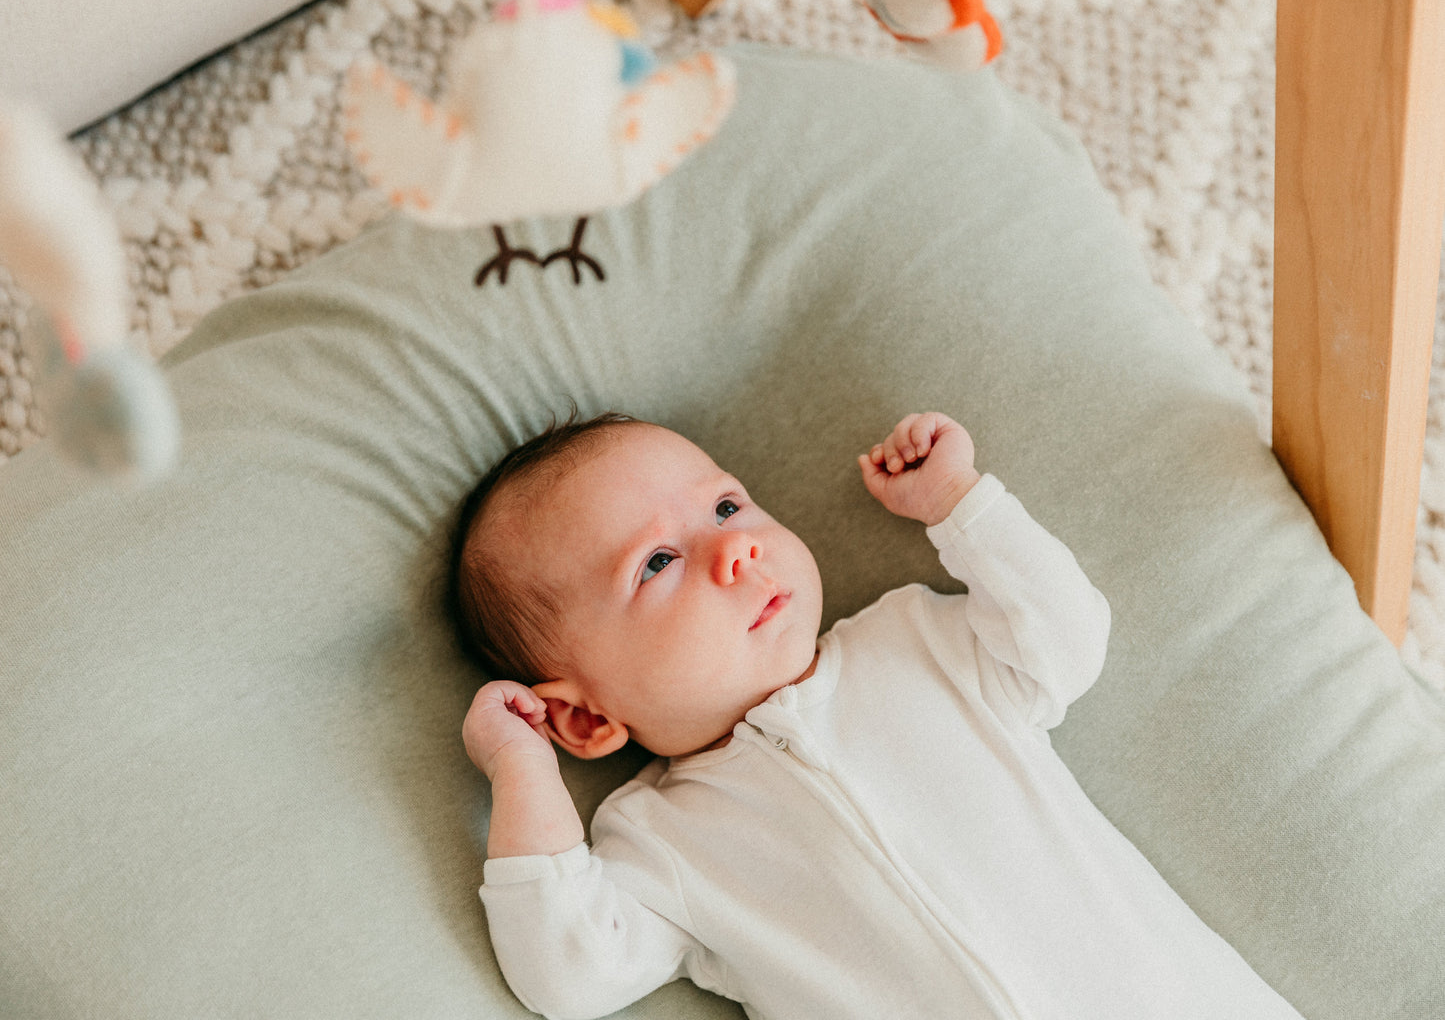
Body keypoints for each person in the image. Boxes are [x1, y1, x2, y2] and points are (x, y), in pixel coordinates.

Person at [449, 411, 1305, 1020]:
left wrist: (961, 503)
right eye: (660, 562)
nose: (734, 547)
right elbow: (570, 975)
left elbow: (1068, 637)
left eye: (724, 507)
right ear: (586, 722)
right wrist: (522, 769)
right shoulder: (659, 840)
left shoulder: (914, 641)